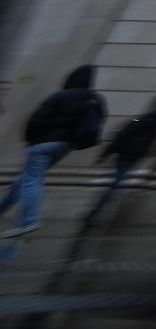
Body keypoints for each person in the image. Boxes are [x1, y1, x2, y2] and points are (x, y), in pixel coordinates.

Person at [0, 64, 105, 239]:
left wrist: (30, 139)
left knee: (32, 181)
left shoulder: (61, 96)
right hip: (66, 146)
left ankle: (30, 222)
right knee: (24, 180)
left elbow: (37, 118)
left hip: (42, 144)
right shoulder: (95, 99)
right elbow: (96, 122)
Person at [82, 94, 156, 229]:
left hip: (133, 156)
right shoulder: (143, 119)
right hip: (125, 155)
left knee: (116, 186)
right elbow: (124, 133)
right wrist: (106, 153)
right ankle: (93, 215)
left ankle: (95, 214)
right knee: (115, 186)